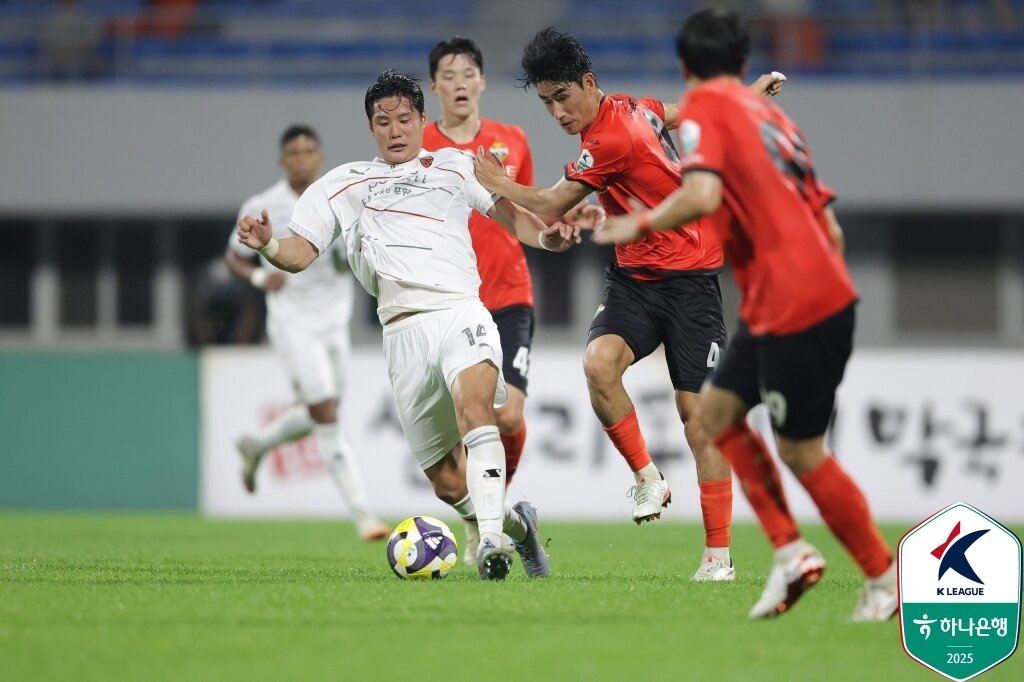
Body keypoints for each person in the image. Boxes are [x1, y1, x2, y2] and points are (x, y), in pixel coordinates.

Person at [594, 8, 897, 622]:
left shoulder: (705, 110)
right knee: (717, 415)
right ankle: (790, 555)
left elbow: (702, 194)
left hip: (794, 302)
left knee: (802, 452)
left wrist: (639, 221)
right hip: (802, 297)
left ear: (686, 69)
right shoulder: (775, 120)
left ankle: (883, 576)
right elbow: (827, 220)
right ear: (741, 64)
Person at [237, 71, 584, 580]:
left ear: (423, 120)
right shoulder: (343, 183)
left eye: (404, 119)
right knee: (445, 481)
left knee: (475, 407)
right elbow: (298, 254)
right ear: (370, 127)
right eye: (384, 121)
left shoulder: (456, 165)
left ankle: (489, 541)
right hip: (401, 333)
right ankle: (516, 526)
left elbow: (514, 220)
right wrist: (268, 243)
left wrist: (549, 240)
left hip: (459, 312)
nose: (395, 130)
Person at [473, 27, 783, 582]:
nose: (556, 112)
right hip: (634, 279)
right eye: (546, 102)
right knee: (598, 364)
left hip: (692, 284)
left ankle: (719, 558)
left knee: (698, 423)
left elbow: (548, 202)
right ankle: (648, 476)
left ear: (587, 83)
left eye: (562, 96)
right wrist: (749, 97)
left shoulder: (610, 139)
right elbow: (687, 113)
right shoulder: (631, 107)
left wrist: (497, 183)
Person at [421, 36, 600, 565]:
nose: (458, 82)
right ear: (434, 87)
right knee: (460, 430)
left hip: (508, 294)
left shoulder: (511, 140)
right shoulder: (421, 146)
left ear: (481, 82)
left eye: (467, 73)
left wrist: (563, 223)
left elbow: (525, 209)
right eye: (447, 75)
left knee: (509, 414)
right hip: (449, 299)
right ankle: (502, 523)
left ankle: (492, 517)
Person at [225, 125, 390, 542]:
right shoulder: (264, 205)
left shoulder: (338, 196)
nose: (301, 158)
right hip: (291, 322)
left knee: (325, 410)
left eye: (309, 151)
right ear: (283, 160)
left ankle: (258, 445)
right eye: (293, 152)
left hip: (335, 320)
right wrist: (261, 278)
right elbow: (234, 257)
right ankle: (363, 515)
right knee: (326, 413)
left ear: (319, 156)